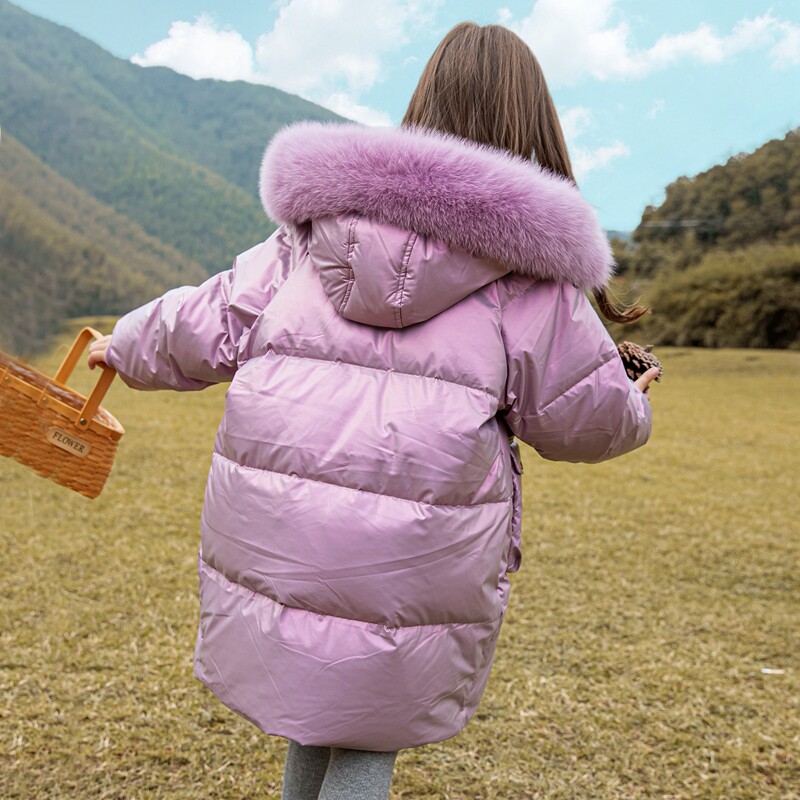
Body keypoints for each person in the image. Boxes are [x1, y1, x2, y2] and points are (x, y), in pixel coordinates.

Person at [88, 21, 659, 800]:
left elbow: (210, 315)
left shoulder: (314, 233)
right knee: (368, 737)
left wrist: (124, 344)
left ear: (421, 107)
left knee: (319, 717)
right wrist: (632, 404)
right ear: (536, 129)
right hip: (409, 560)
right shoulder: (530, 278)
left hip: (283, 531)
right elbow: (578, 418)